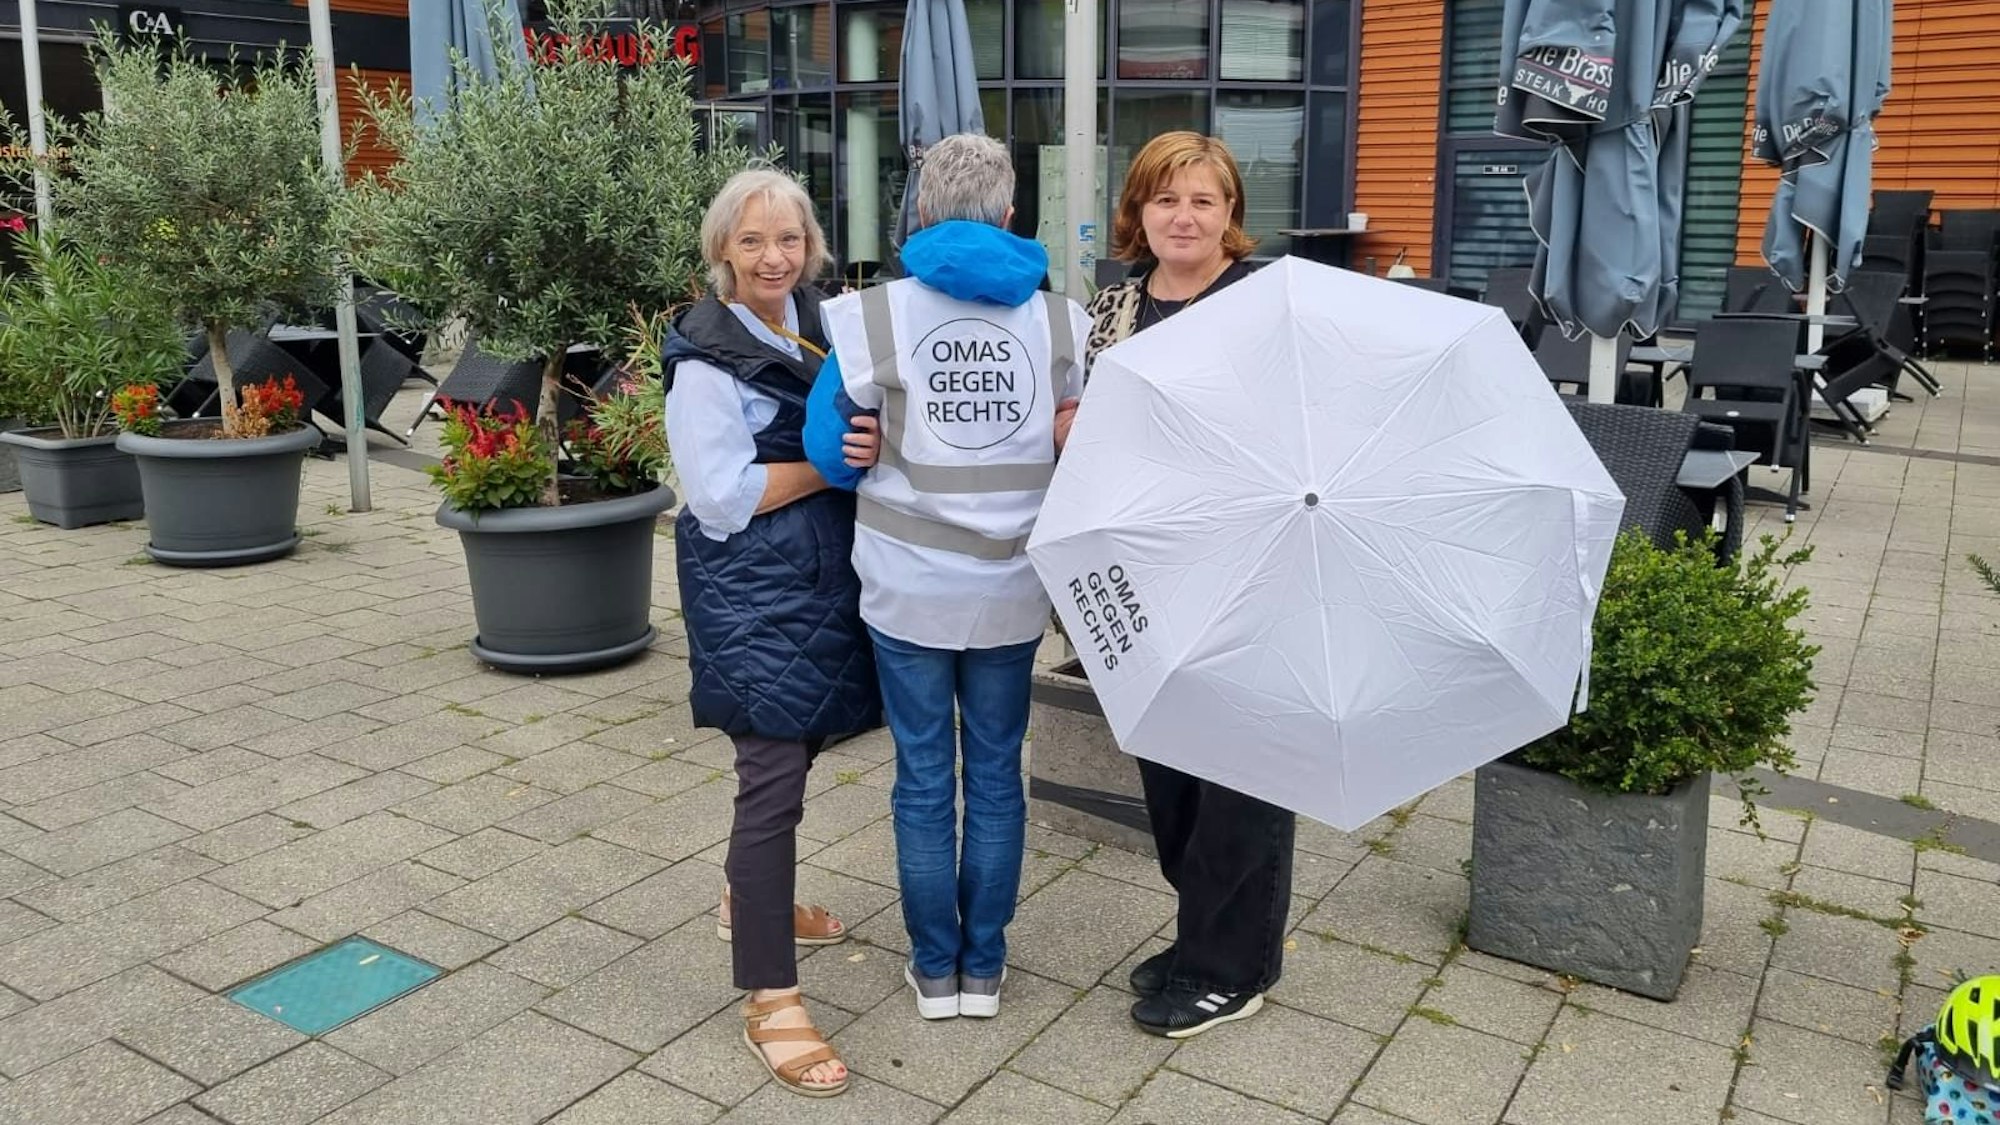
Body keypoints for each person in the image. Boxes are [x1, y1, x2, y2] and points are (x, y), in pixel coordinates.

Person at [803, 133, 1088, 1021]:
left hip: (905, 586)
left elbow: (825, 451)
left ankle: (934, 972)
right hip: (1009, 591)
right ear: (1012, 216)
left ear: (919, 212)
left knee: (924, 776)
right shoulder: (1061, 323)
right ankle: (985, 968)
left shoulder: (869, 316)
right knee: (997, 774)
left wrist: (860, 447)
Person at [665, 167, 879, 1097]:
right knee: (772, 775)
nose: (772, 256)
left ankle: (746, 900)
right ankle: (769, 995)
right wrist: (833, 470)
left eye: (788, 239)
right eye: (751, 241)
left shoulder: (827, 322)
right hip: (753, 588)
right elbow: (719, 495)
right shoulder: (708, 357)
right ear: (722, 251)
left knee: (813, 734)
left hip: (825, 579)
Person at [1084, 131, 1292, 1039]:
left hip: (1249, 574)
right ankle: (1211, 930)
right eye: (1167, 198)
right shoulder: (1112, 309)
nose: (1184, 216)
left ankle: (1229, 966)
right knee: (1170, 773)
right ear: (1139, 209)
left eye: (1204, 200)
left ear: (1231, 215)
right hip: (1145, 576)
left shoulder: (1267, 304)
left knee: (1239, 776)